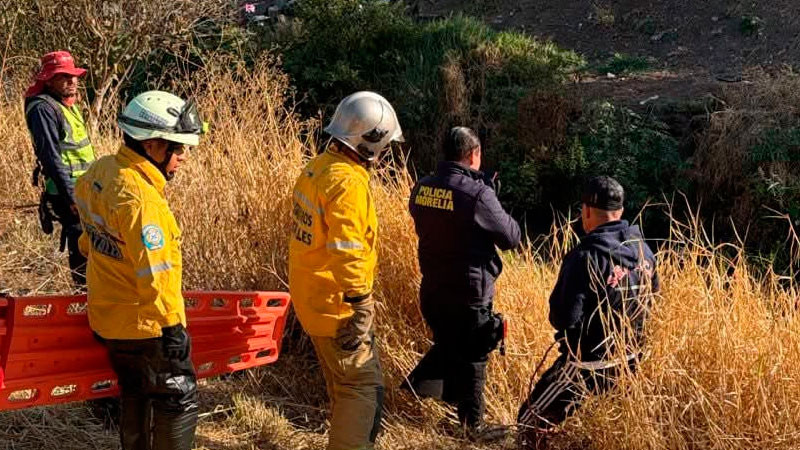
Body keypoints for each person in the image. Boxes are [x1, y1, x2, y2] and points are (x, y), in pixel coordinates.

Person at [74, 91, 205, 450]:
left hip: (108, 317)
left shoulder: (101, 170)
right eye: (178, 149)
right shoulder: (142, 202)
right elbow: (157, 274)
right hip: (145, 325)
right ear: (153, 145)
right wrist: (173, 330)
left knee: (137, 392)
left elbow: (89, 238)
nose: (184, 157)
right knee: (177, 396)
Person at [288, 91, 403, 450]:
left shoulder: (317, 168)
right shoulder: (349, 184)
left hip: (313, 300)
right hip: (338, 307)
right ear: (370, 142)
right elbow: (348, 250)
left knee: (342, 387)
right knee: (361, 388)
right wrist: (361, 304)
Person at [517, 176, 660, 446]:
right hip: (630, 361)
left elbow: (563, 317)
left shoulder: (584, 257)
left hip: (587, 366)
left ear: (586, 211)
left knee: (529, 420)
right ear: (620, 211)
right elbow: (652, 300)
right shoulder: (645, 251)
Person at [402, 127, 521, 438]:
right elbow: (510, 237)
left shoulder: (422, 188)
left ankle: (424, 391)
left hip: (433, 288)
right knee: (474, 352)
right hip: (469, 292)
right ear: (474, 155)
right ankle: (472, 427)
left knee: (450, 343)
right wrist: (489, 194)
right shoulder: (479, 194)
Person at [24, 51, 96, 287]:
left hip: (84, 187)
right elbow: (51, 157)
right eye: (63, 77)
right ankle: (81, 295)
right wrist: (71, 196)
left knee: (93, 240)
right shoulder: (43, 109)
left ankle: (91, 293)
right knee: (79, 239)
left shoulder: (66, 104)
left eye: (73, 76)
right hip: (67, 191)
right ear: (48, 80)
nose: (72, 81)